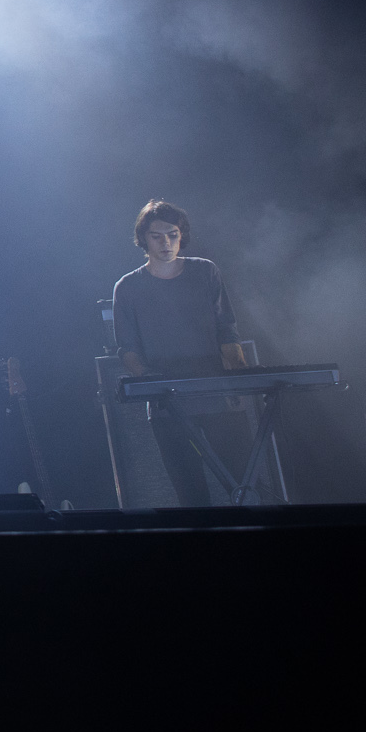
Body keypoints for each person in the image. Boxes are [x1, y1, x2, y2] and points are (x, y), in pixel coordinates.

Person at [112, 200, 250, 506]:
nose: (166, 243)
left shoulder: (205, 272)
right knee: (191, 494)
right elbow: (128, 349)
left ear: (181, 235)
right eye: (157, 236)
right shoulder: (127, 288)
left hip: (217, 396)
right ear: (143, 238)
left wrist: (240, 379)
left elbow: (227, 332)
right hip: (168, 406)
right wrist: (151, 383)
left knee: (243, 486)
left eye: (172, 235)